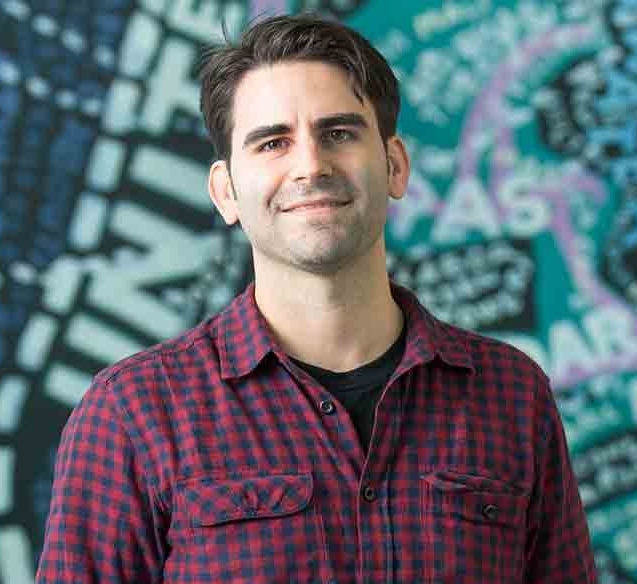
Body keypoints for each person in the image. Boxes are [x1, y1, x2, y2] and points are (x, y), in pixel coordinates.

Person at [36, 13, 597, 584]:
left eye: (339, 134)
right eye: (273, 143)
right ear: (226, 192)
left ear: (395, 166)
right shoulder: (134, 412)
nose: (310, 165)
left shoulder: (512, 394)